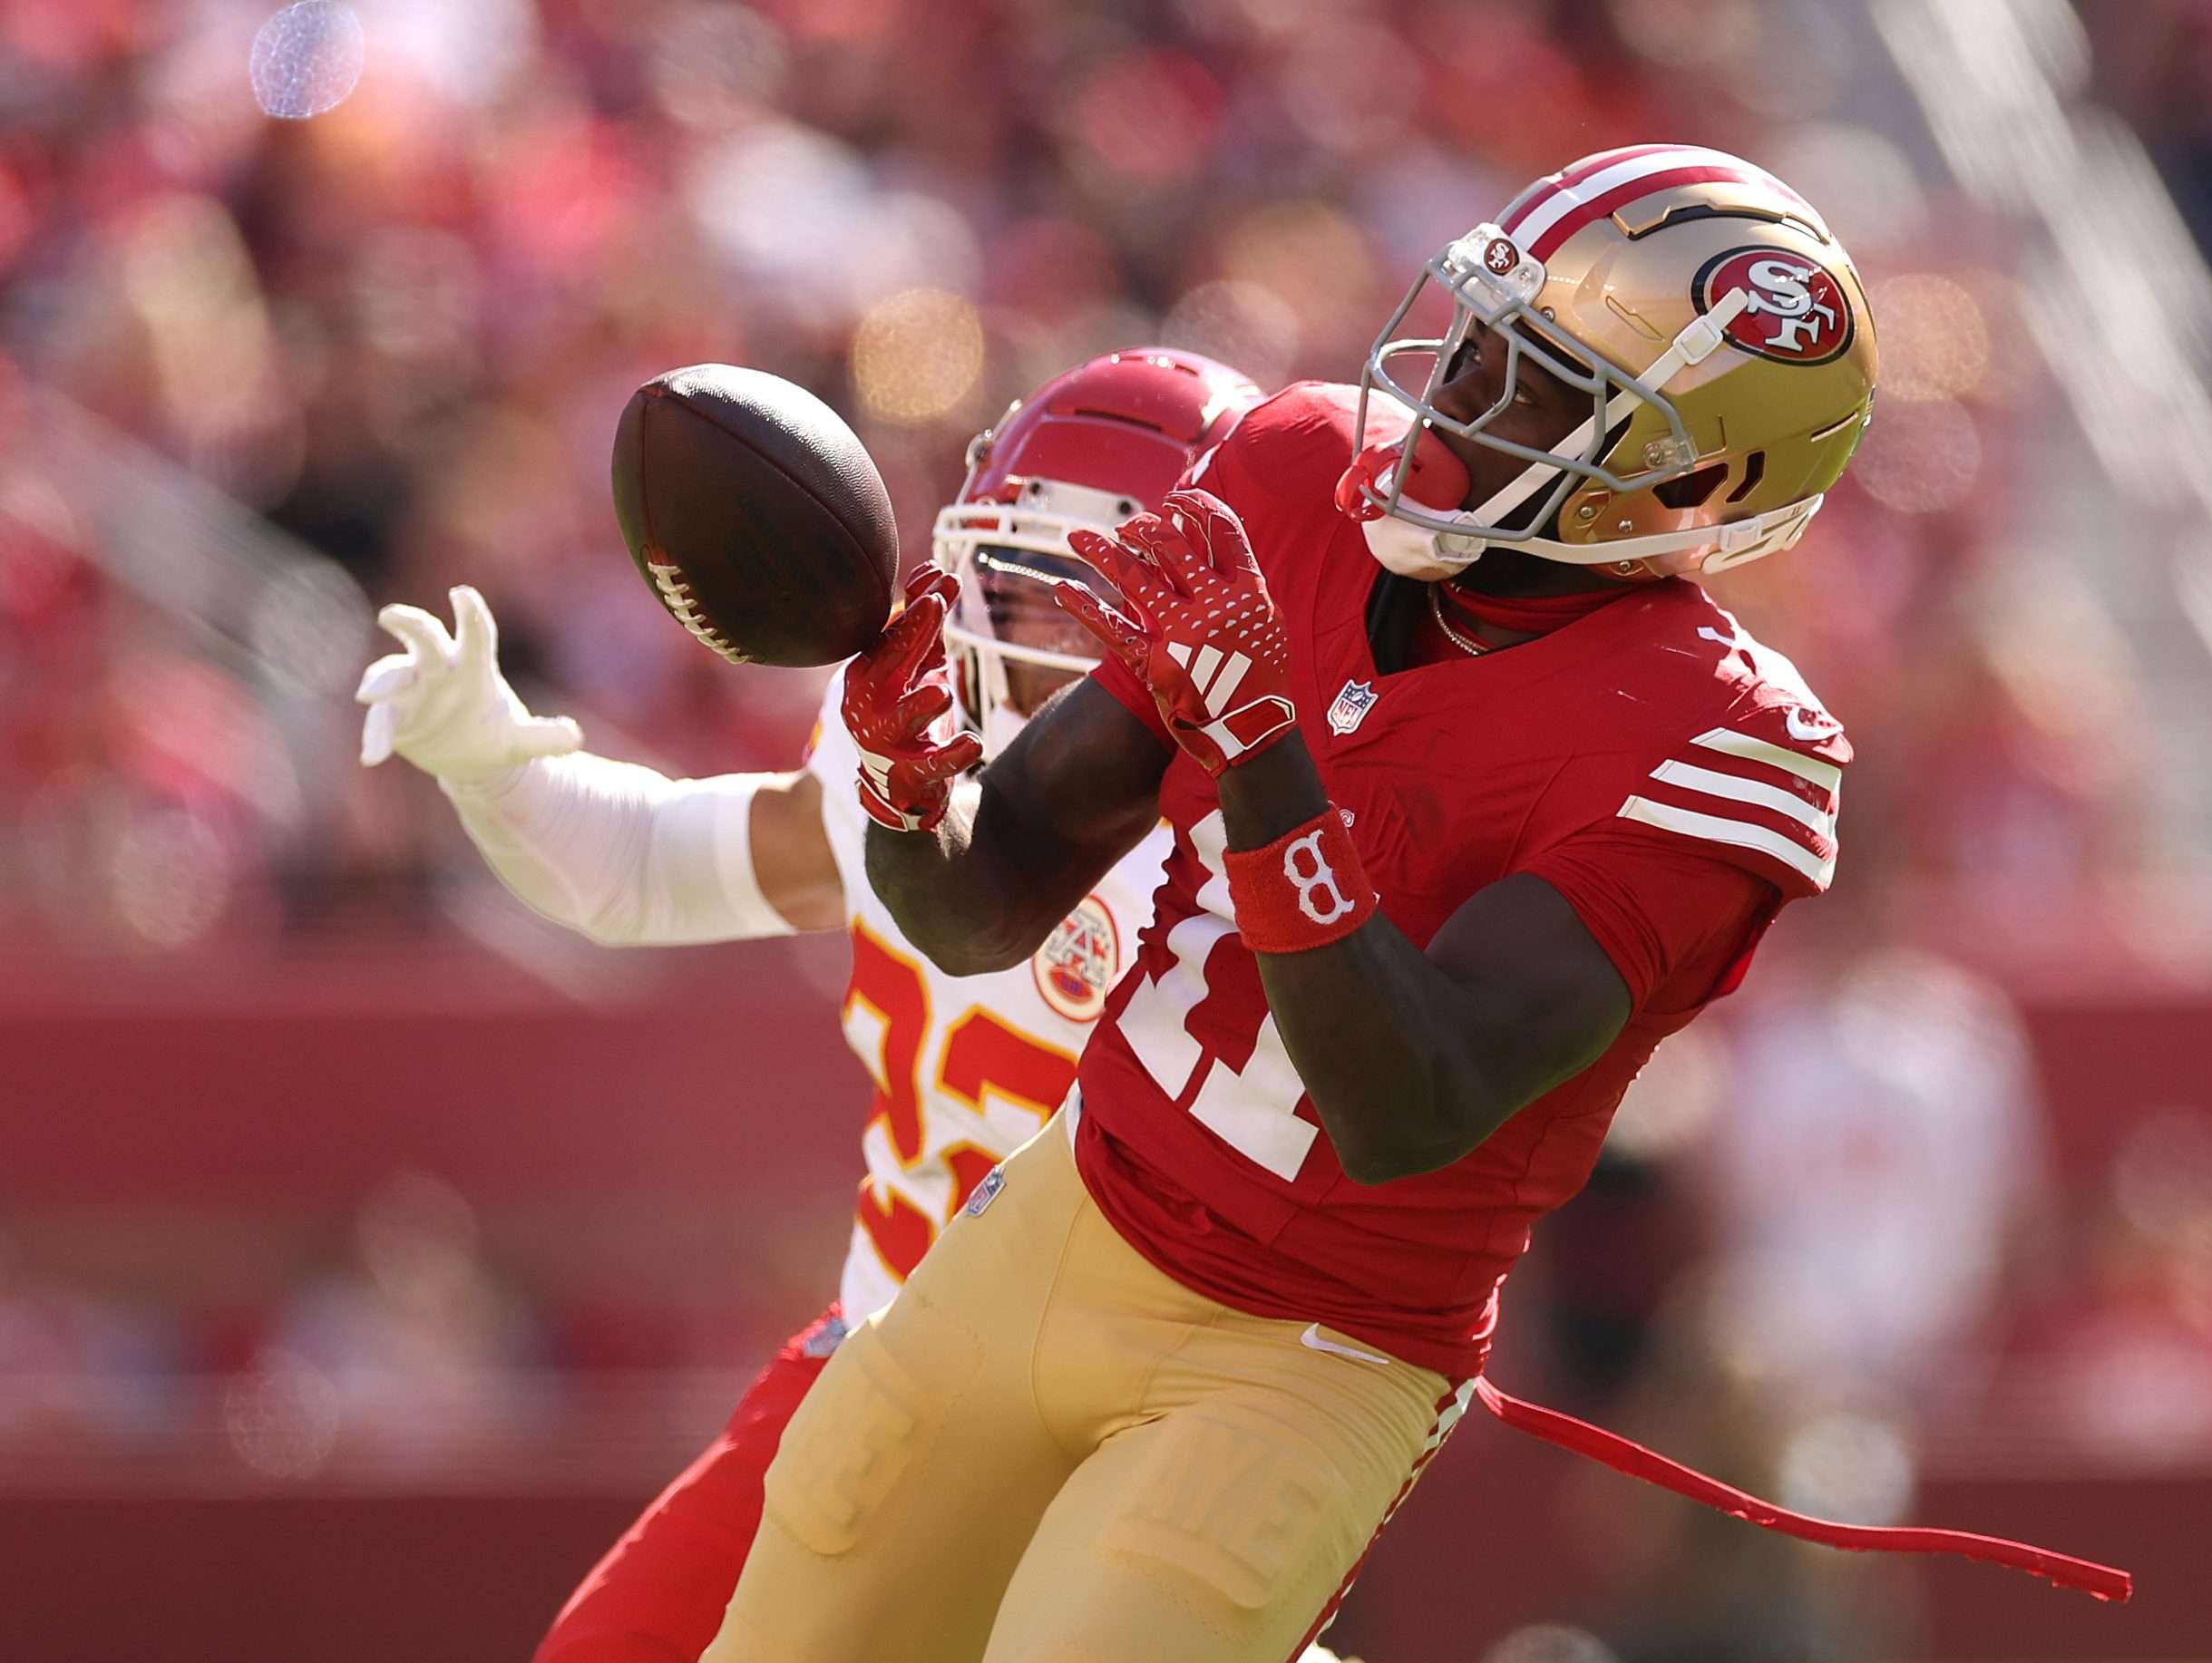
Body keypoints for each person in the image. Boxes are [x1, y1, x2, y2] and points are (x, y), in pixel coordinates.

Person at [700, 144, 1879, 1663]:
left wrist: (1263, 759)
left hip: (1315, 1346)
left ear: (1689, 483)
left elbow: (1408, 1099)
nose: (1451, 392)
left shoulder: (1722, 742)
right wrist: (904, 778)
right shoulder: (1291, 476)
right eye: (1470, 333)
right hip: (1069, 1211)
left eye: (1529, 382)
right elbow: (987, 906)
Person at [354, 349, 1271, 1662]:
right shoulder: (908, 734)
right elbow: (647, 867)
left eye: (1074, 599)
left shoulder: (1243, 836)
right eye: (1007, 576)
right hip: (883, 1347)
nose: (1017, 626)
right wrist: (497, 765)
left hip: (1123, 1414)